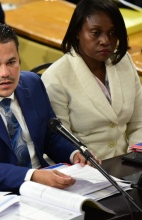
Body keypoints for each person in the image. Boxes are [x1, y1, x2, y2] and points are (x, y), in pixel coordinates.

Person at [0, 23, 99, 192]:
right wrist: (32, 176)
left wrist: (75, 153)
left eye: (11, 62)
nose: (5, 73)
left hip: (46, 185)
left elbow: (50, 135)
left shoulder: (33, 84)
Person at [41, 0, 142, 160]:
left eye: (112, 33)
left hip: (128, 165)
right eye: (96, 33)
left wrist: (136, 159)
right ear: (77, 32)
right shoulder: (55, 78)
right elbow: (60, 143)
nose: (106, 41)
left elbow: (139, 123)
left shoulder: (124, 61)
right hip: (85, 171)